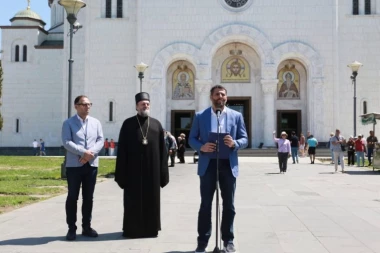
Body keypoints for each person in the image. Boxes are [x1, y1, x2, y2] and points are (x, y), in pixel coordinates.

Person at [189, 85, 248, 253]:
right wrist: (202, 147)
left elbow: (244, 138)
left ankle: (228, 241)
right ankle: (202, 242)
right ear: (211, 97)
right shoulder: (201, 116)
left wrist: (235, 143)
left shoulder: (236, 116)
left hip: (228, 165)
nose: (220, 97)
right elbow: (192, 138)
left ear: (226, 98)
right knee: (206, 204)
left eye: (223, 95)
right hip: (208, 164)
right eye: (217, 94)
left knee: (229, 205)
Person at [114, 92, 169, 238]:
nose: (145, 106)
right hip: (133, 173)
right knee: (132, 201)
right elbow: (122, 150)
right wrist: (121, 173)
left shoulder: (156, 124)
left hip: (152, 172)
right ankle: (132, 229)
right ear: (136, 106)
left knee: (152, 201)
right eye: (142, 104)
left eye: (147, 104)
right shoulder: (128, 124)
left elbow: (163, 151)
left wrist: (163, 173)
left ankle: (151, 229)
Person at [61, 95, 104, 241]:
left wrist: (90, 154)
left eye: (89, 104)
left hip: (91, 165)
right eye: (84, 104)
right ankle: (71, 228)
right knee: (73, 196)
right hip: (74, 166)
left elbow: (100, 140)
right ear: (76, 106)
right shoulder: (68, 123)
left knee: (88, 198)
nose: (87, 107)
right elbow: (66, 142)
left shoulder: (96, 123)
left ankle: (87, 226)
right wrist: (82, 152)